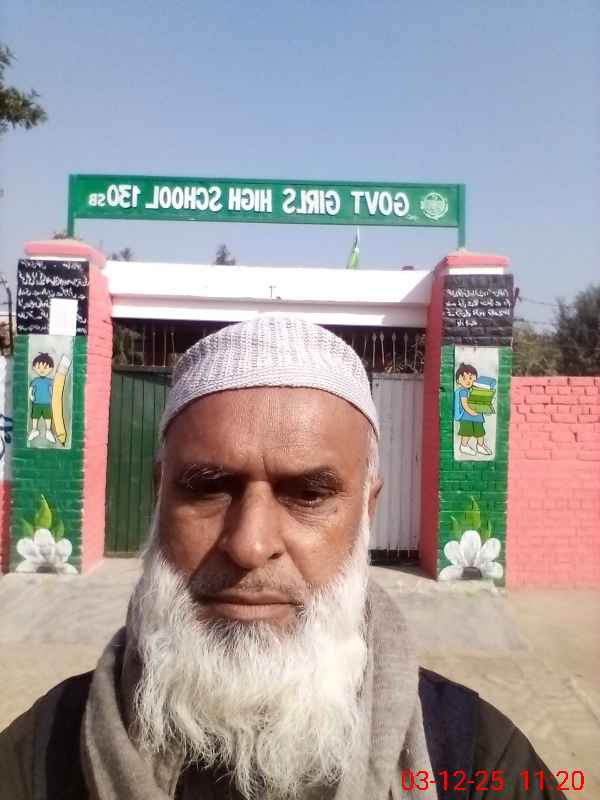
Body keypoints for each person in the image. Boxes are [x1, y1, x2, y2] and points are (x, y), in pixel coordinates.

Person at [0, 316, 565, 799]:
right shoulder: (40, 758)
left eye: (309, 494)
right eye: (208, 487)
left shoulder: (478, 759)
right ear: (159, 495)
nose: (249, 545)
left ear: (366, 511)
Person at [453, 363, 492, 457]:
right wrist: (471, 412)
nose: (468, 381)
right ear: (458, 381)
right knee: (466, 433)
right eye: (464, 378)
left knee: (480, 432)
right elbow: (464, 404)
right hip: (466, 417)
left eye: (471, 378)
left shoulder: (473, 390)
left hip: (477, 416)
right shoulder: (463, 391)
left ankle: (480, 446)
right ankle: (464, 446)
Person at [28, 353, 56, 444]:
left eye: (45, 367)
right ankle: (34, 430)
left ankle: (48, 431)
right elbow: (31, 389)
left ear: (51, 368)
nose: (42, 370)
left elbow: (54, 388)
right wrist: (31, 396)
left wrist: (53, 396)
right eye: (39, 367)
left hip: (47, 403)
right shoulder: (35, 380)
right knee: (35, 417)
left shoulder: (49, 381)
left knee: (48, 418)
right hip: (36, 403)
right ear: (34, 368)